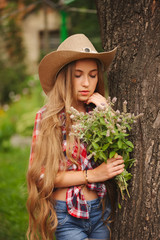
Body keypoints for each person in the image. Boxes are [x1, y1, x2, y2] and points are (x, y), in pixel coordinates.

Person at [27, 34, 124, 240]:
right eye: (78, 75)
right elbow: (42, 177)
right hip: (67, 216)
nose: (86, 83)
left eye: (93, 75)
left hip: (101, 212)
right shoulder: (48, 118)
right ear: (64, 76)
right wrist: (93, 175)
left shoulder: (98, 113)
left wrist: (108, 114)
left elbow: (120, 157)